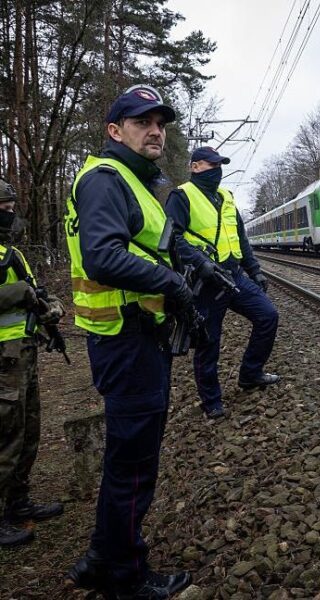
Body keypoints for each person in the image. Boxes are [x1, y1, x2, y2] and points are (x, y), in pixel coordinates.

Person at [64, 85, 192, 599]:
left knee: (126, 459)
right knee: (135, 464)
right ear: (115, 131)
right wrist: (173, 285)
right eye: (142, 122)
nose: (155, 130)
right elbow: (103, 257)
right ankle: (124, 577)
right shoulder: (105, 179)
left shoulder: (134, 184)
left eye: (160, 122)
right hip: (127, 339)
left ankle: (102, 557)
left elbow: (153, 248)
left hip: (132, 337)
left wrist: (188, 264)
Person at [165, 146, 279, 420]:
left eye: (220, 165)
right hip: (206, 283)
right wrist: (199, 262)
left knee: (268, 316)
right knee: (209, 342)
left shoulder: (226, 197)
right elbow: (172, 238)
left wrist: (255, 271)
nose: (217, 170)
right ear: (195, 167)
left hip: (235, 275)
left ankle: (251, 374)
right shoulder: (181, 196)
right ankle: (211, 400)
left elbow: (240, 238)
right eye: (211, 165)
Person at [0, 178, 65, 547]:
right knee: (5, 436)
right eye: (4, 210)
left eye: (11, 209)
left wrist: (50, 306)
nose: (10, 216)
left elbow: (35, 290)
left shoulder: (12, 252)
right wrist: (17, 293)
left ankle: (18, 503)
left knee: (27, 431)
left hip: (23, 354)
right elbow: (19, 292)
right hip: (3, 361)